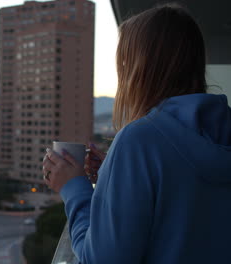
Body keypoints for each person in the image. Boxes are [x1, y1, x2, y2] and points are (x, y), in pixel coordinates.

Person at [42, 4, 231, 264]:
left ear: (137, 70)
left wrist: (72, 187)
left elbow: (99, 260)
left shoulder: (140, 140)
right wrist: (116, 175)